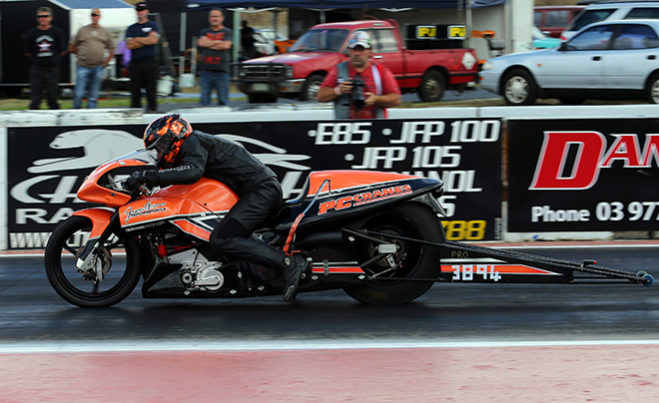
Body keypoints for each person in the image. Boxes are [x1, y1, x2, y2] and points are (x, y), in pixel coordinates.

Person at [127, 114, 308, 302]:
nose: (160, 153)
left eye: (161, 146)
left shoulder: (192, 142)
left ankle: (288, 264)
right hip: (255, 191)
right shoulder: (193, 147)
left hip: (261, 191)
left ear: (174, 136)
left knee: (223, 238)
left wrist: (149, 176)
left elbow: (192, 171)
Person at [317, 31, 401, 119]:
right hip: (345, 126)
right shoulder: (338, 70)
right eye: (354, 49)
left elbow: (396, 99)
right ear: (349, 50)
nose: (357, 53)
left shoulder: (381, 71)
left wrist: (377, 99)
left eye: (361, 49)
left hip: (375, 125)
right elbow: (320, 96)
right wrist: (338, 90)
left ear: (369, 51)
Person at [69, 8, 115, 109]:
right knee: (78, 94)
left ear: (99, 17)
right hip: (83, 67)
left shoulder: (105, 32)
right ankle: (75, 116)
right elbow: (71, 46)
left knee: (93, 97)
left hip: (98, 67)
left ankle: (91, 121)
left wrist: (105, 63)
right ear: (91, 16)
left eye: (97, 15)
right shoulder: (83, 30)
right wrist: (80, 53)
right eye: (93, 15)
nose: (95, 17)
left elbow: (112, 50)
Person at [24, 6, 67, 110]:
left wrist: (53, 59)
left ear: (50, 18)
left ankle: (55, 122)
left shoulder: (57, 32)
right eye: (40, 16)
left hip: (52, 69)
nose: (42, 18)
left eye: (45, 16)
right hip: (37, 69)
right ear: (37, 18)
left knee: (52, 96)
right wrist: (37, 60)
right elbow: (27, 52)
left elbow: (63, 50)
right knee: (35, 98)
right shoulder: (31, 33)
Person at [124, 2, 160, 112]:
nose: (140, 12)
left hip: (149, 61)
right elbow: (129, 45)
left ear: (147, 11)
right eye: (138, 10)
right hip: (136, 62)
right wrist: (145, 39)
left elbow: (154, 40)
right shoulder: (131, 28)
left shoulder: (154, 25)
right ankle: (135, 112)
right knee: (135, 90)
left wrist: (137, 39)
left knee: (151, 89)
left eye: (142, 10)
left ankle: (152, 110)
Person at [197, 8, 232, 106]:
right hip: (206, 72)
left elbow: (226, 46)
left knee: (223, 102)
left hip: (222, 72)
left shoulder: (227, 31)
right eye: (212, 16)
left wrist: (208, 43)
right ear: (209, 19)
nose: (214, 18)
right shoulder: (204, 32)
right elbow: (201, 43)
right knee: (204, 102)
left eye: (217, 16)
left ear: (222, 18)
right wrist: (218, 42)